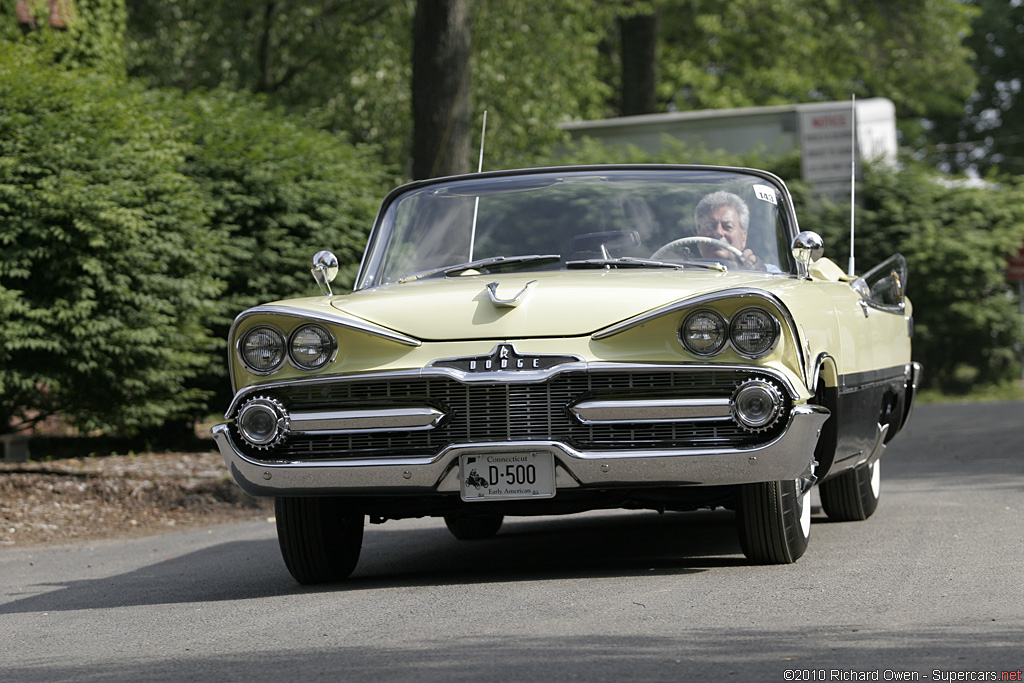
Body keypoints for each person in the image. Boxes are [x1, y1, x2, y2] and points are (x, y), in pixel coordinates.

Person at [693, 191, 768, 271]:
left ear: (743, 238)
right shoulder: (681, 272)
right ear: (698, 235)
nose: (719, 232)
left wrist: (758, 272)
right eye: (710, 226)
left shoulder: (772, 274)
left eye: (728, 227)